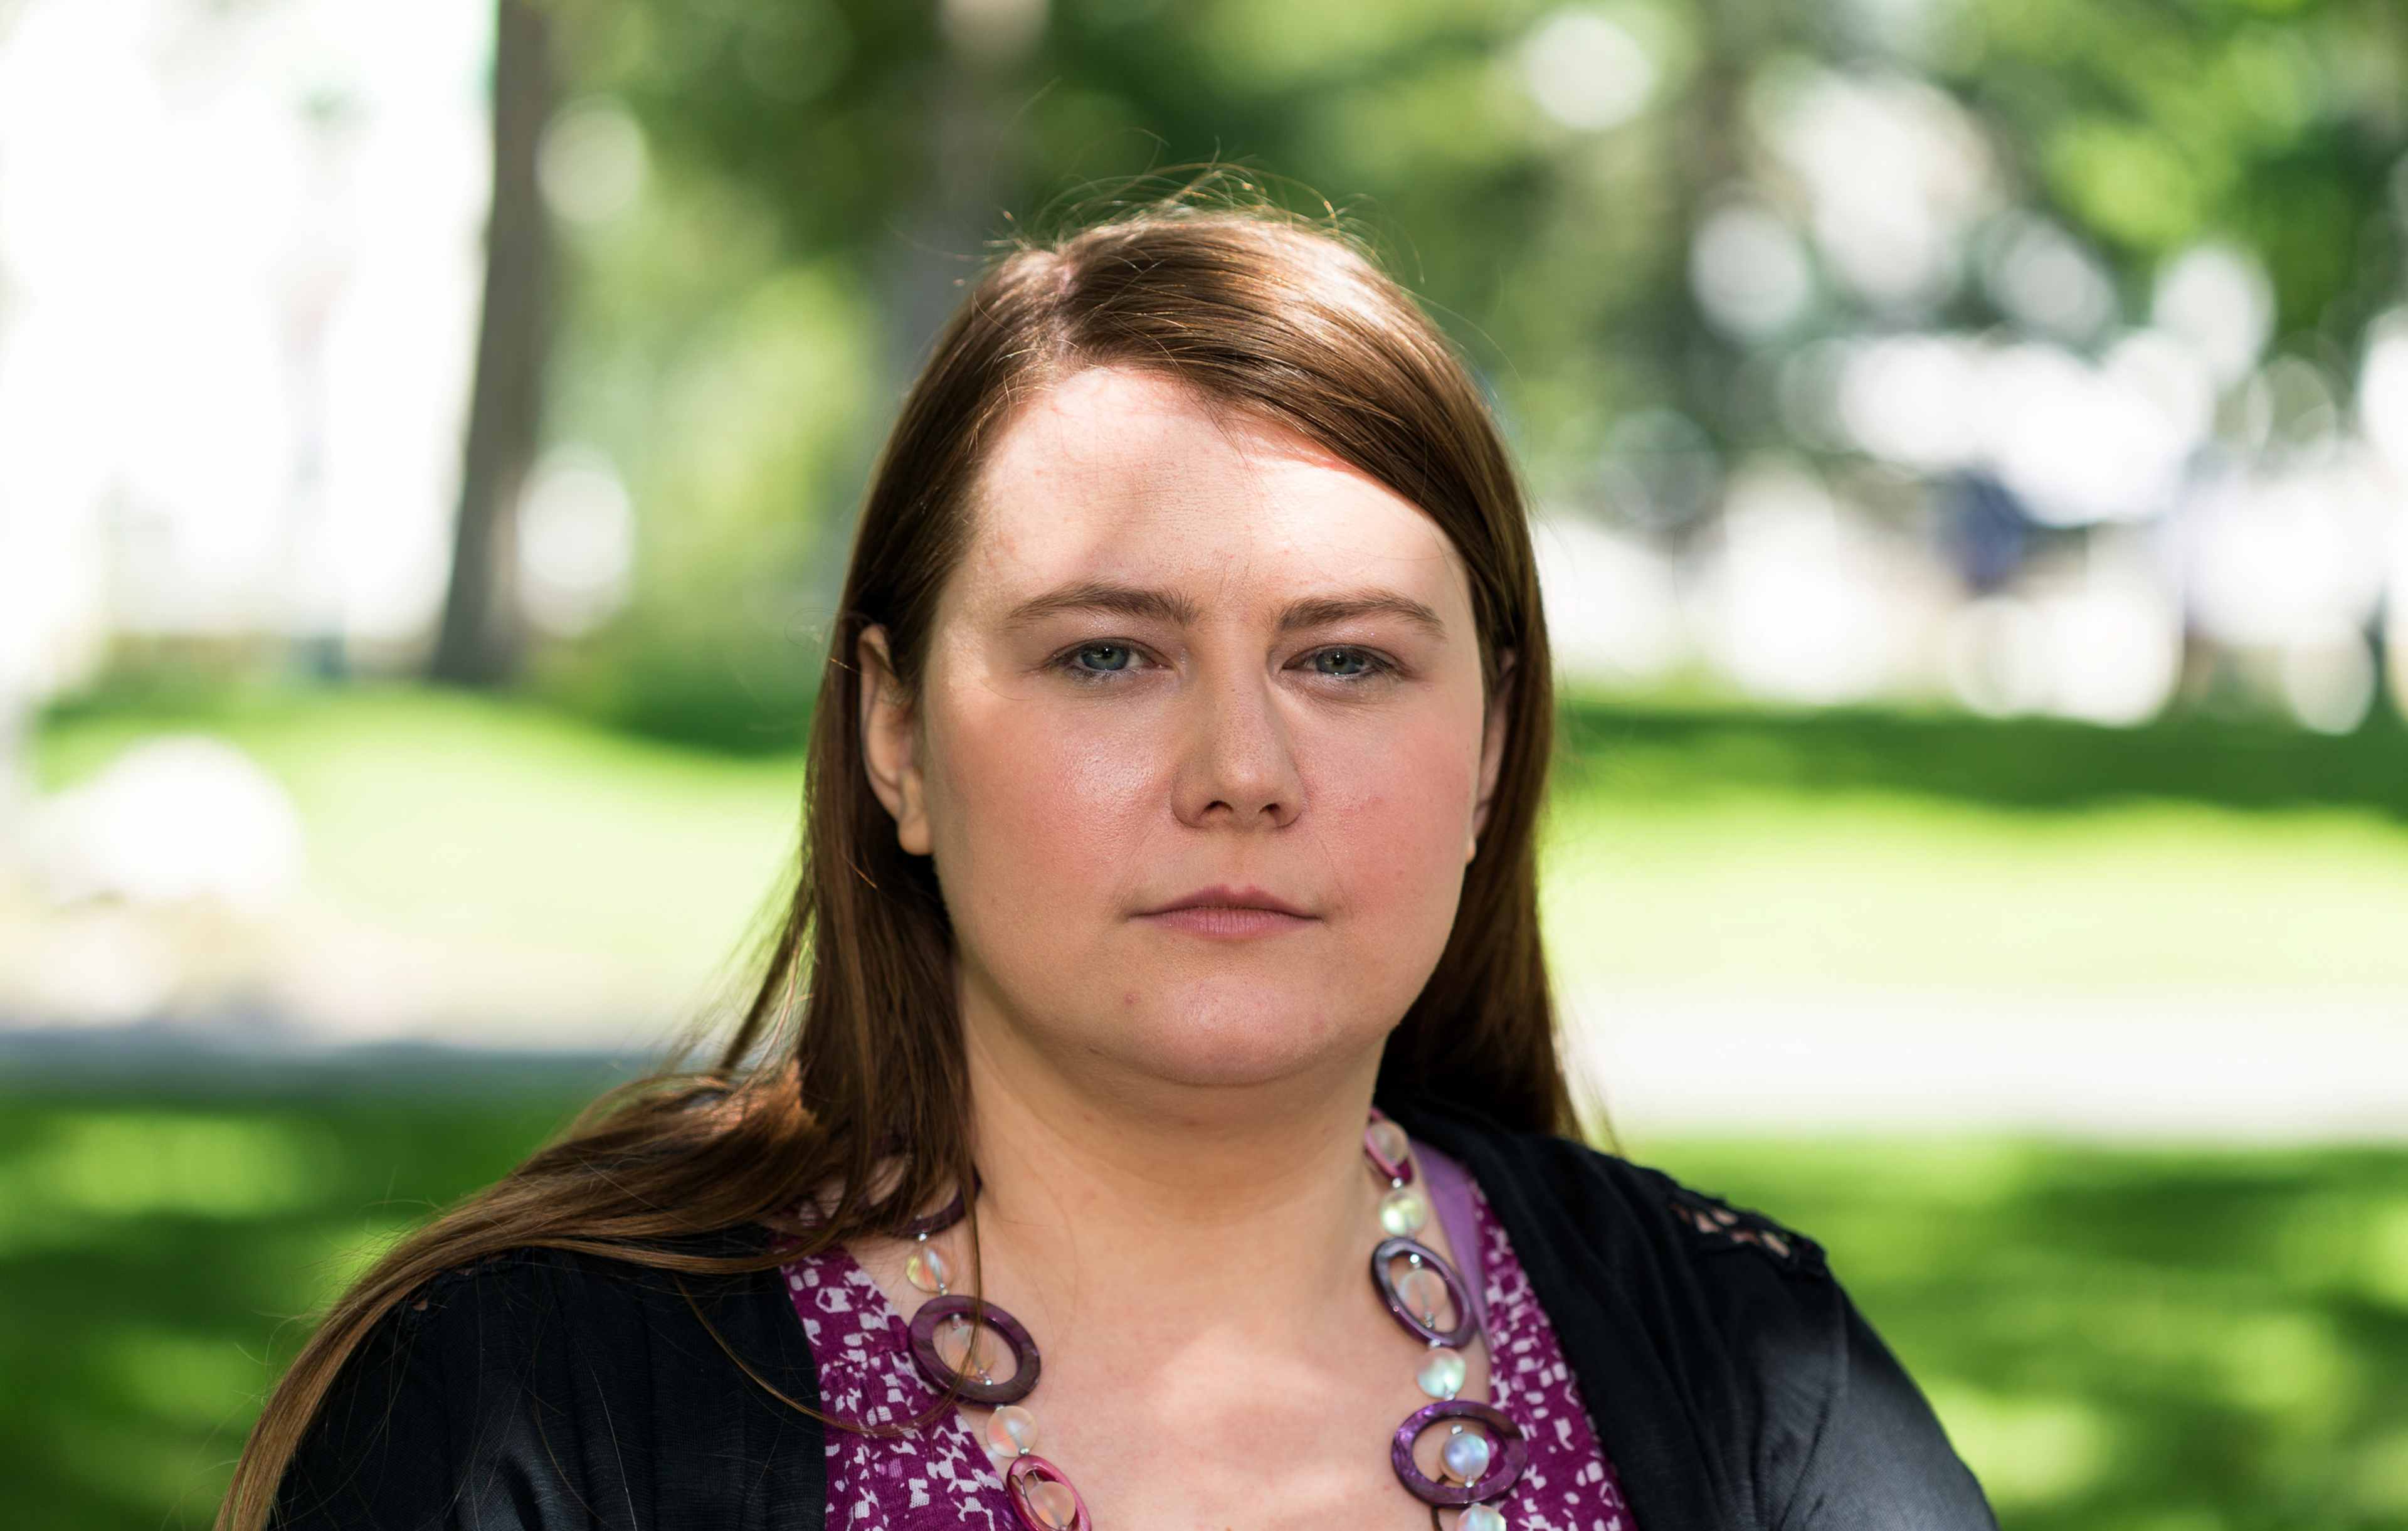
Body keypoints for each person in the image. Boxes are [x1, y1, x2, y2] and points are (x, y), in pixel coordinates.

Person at [219, 182, 1999, 1531]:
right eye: (1106, 655)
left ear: (1487, 751)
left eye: (1346, 660)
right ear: (895, 736)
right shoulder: (533, 1398)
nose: (1242, 773)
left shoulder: (1756, 1376)